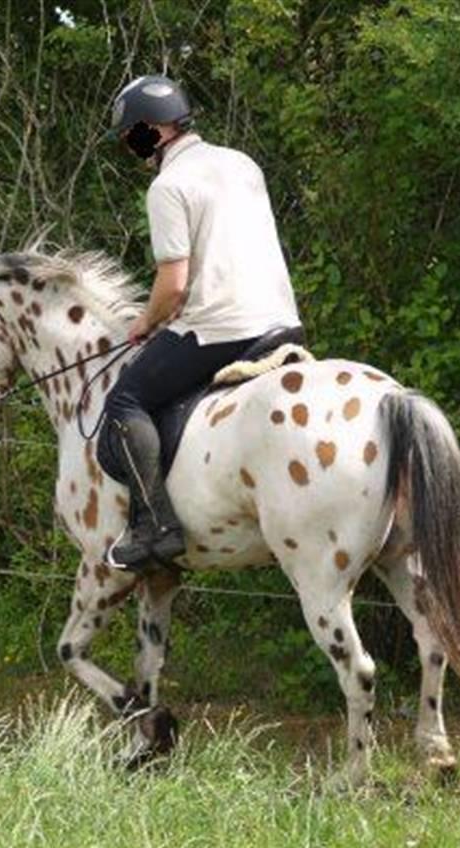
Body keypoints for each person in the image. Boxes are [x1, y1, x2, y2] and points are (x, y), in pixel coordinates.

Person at [99, 74, 301, 570]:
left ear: (151, 130)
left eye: (132, 137)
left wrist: (146, 322)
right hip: (281, 321)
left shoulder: (168, 185)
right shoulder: (241, 163)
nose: (132, 147)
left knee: (126, 398)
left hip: (221, 329)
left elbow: (173, 285)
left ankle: (156, 528)